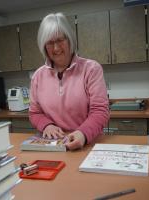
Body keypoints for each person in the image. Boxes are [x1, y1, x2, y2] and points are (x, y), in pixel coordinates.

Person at [29, 12, 109, 150]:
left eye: (60, 40)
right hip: (52, 145)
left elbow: (100, 111)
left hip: (86, 143)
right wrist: (47, 125)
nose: (56, 48)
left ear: (70, 39)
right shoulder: (38, 76)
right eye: (50, 42)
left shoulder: (91, 69)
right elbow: (34, 113)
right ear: (44, 46)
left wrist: (82, 133)